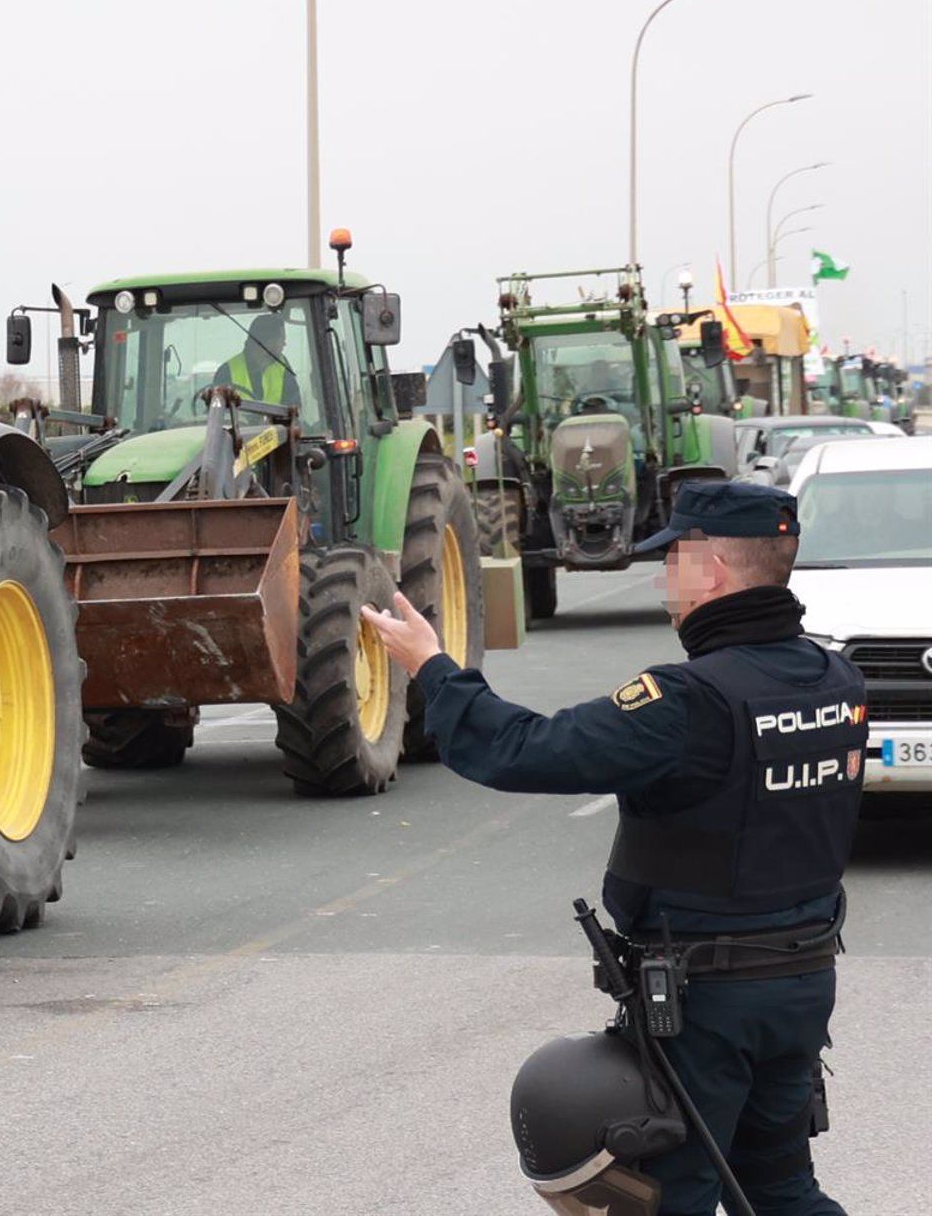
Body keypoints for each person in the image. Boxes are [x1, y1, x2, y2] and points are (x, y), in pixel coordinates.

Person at [362, 481, 861, 1216]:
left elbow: (524, 749)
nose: (664, 580)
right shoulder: (835, 678)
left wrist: (433, 667)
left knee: (673, 1198)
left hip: (706, 1003)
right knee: (781, 1186)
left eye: (673, 562)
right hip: (804, 982)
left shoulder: (687, 701)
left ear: (712, 569)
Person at [213, 313, 301, 410]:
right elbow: (218, 412)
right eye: (282, 339)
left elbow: (295, 408)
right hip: (238, 425)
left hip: (277, 425)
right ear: (269, 343)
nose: (284, 344)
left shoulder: (282, 366)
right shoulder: (227, 371)